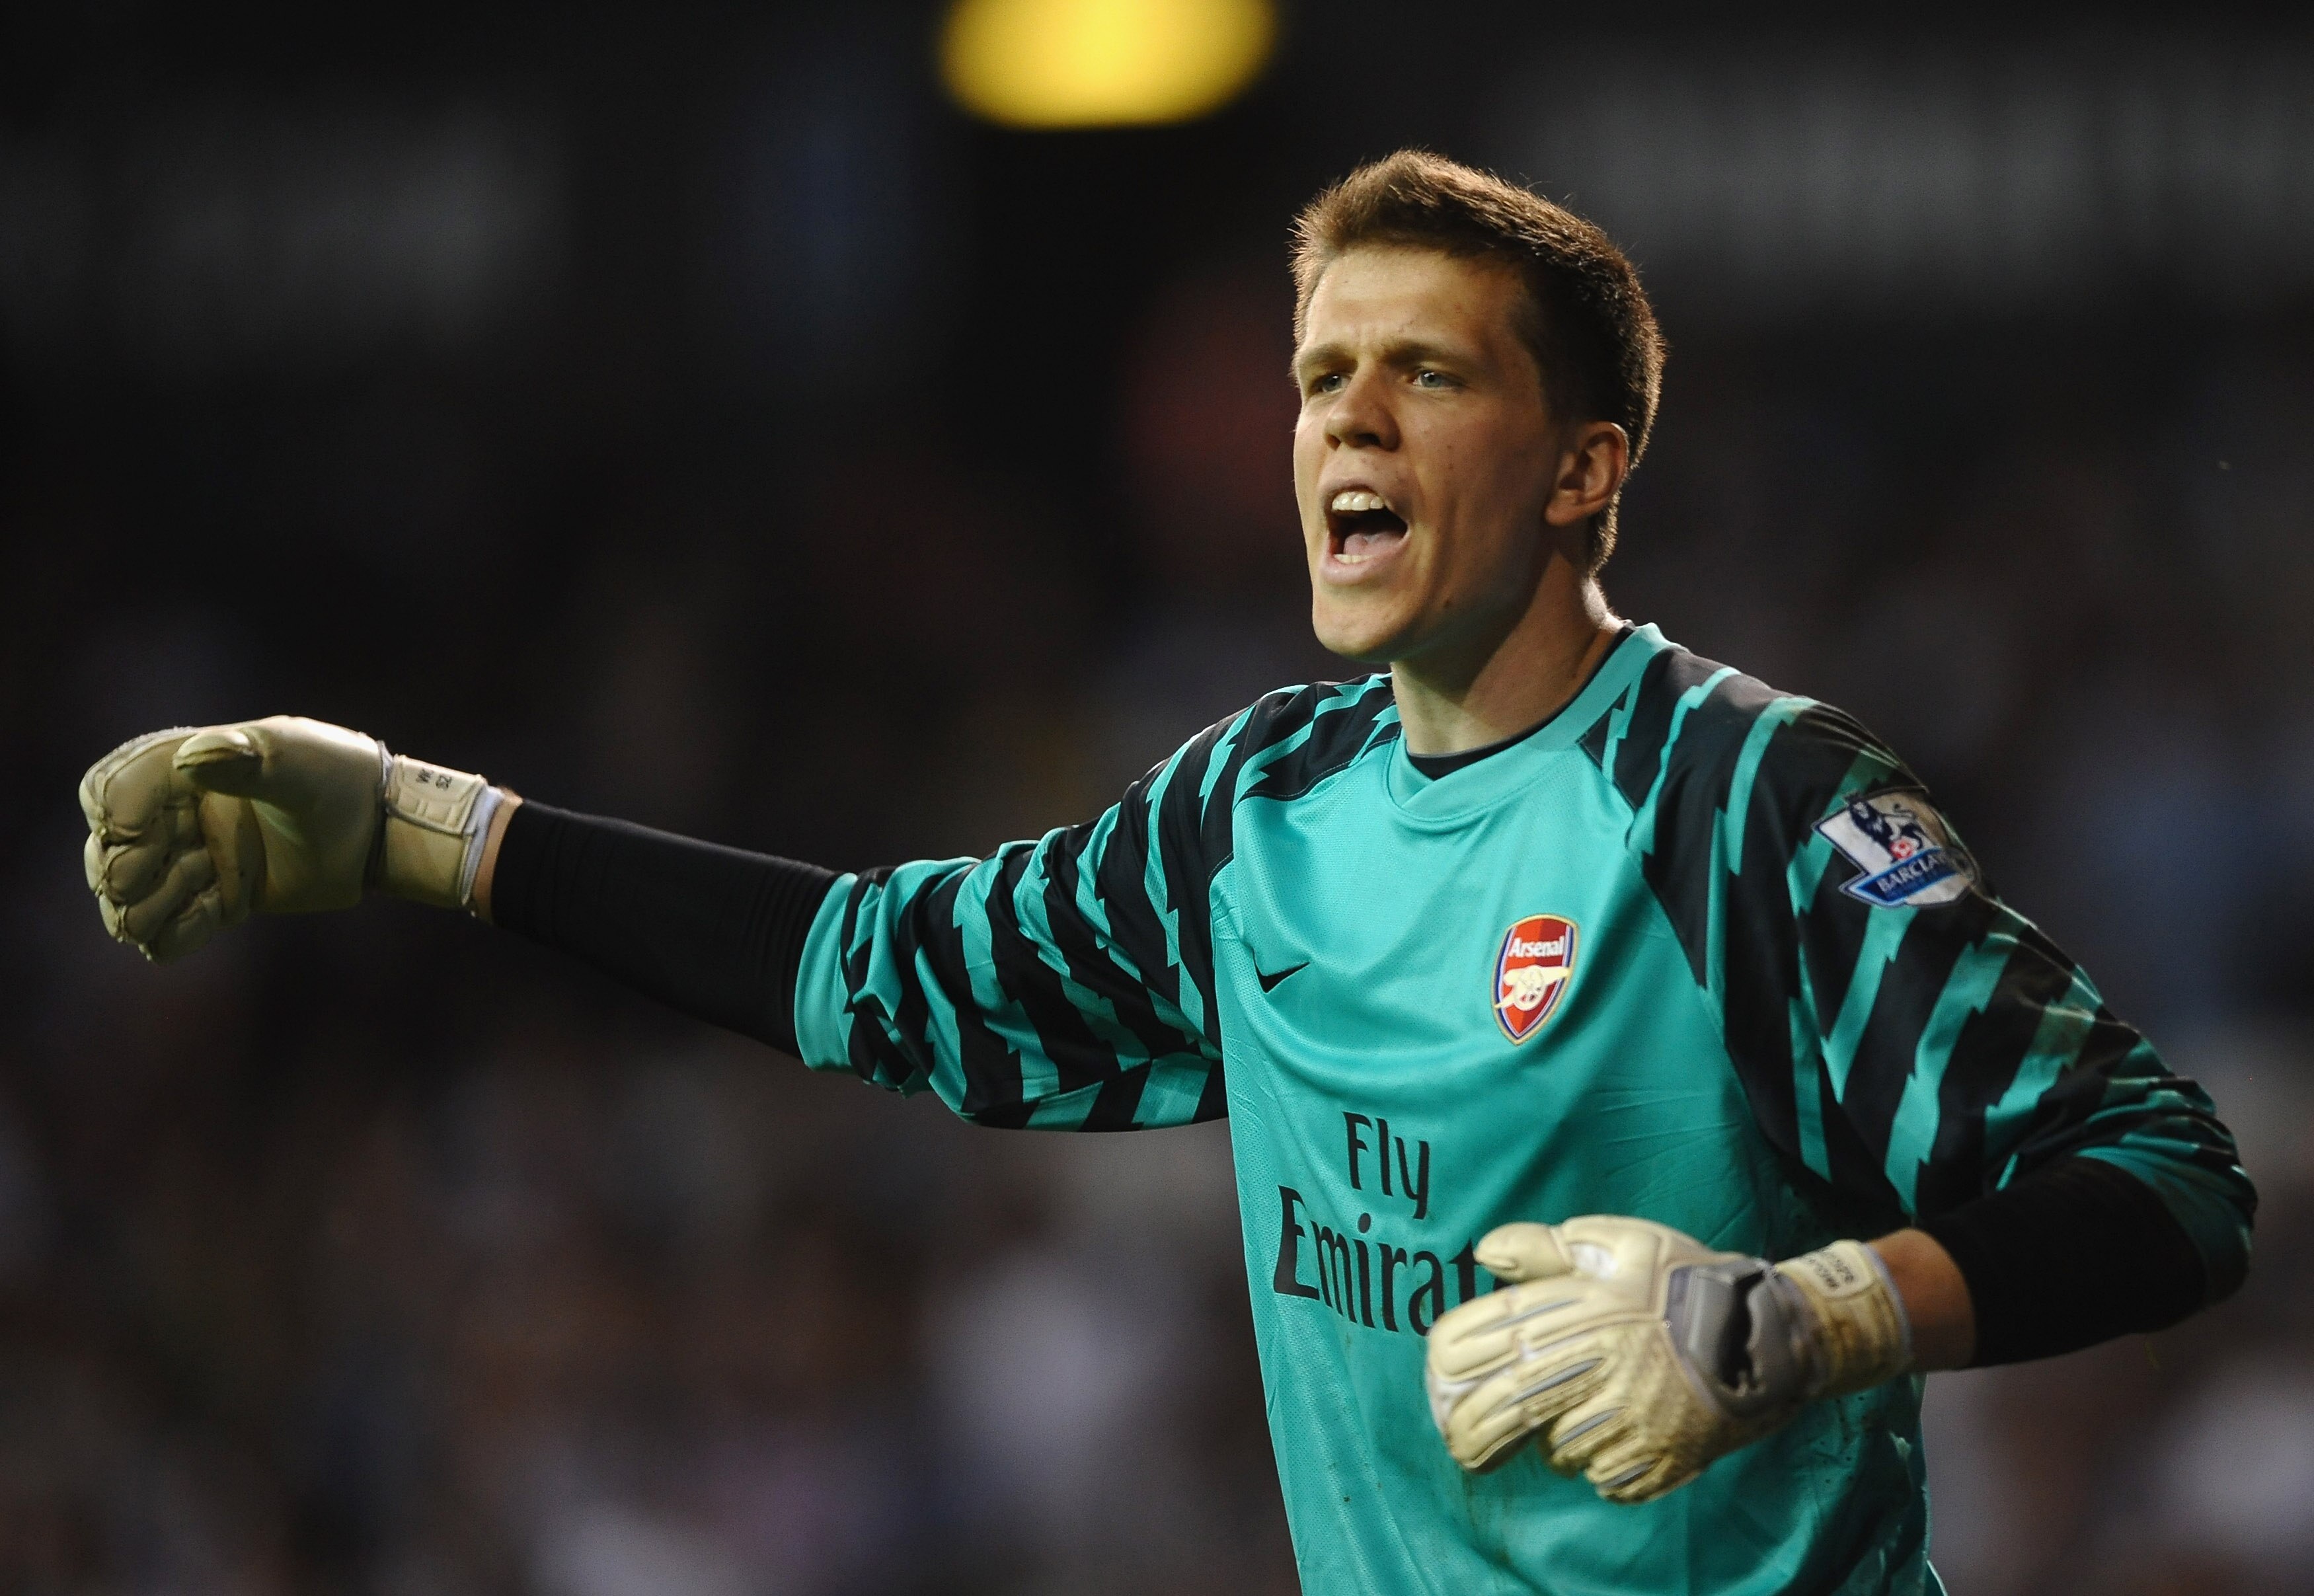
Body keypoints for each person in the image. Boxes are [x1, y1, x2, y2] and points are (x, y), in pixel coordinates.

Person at [79, 152, 2253, 1595]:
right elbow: (873, 971)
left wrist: (1809, 1318)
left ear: (1588, 468)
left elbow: (2165, 1185)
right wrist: (422, 826)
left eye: (1427, 375)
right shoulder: (1256, 812)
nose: (1347, 429)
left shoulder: (1743, 802)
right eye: (1321, 378)